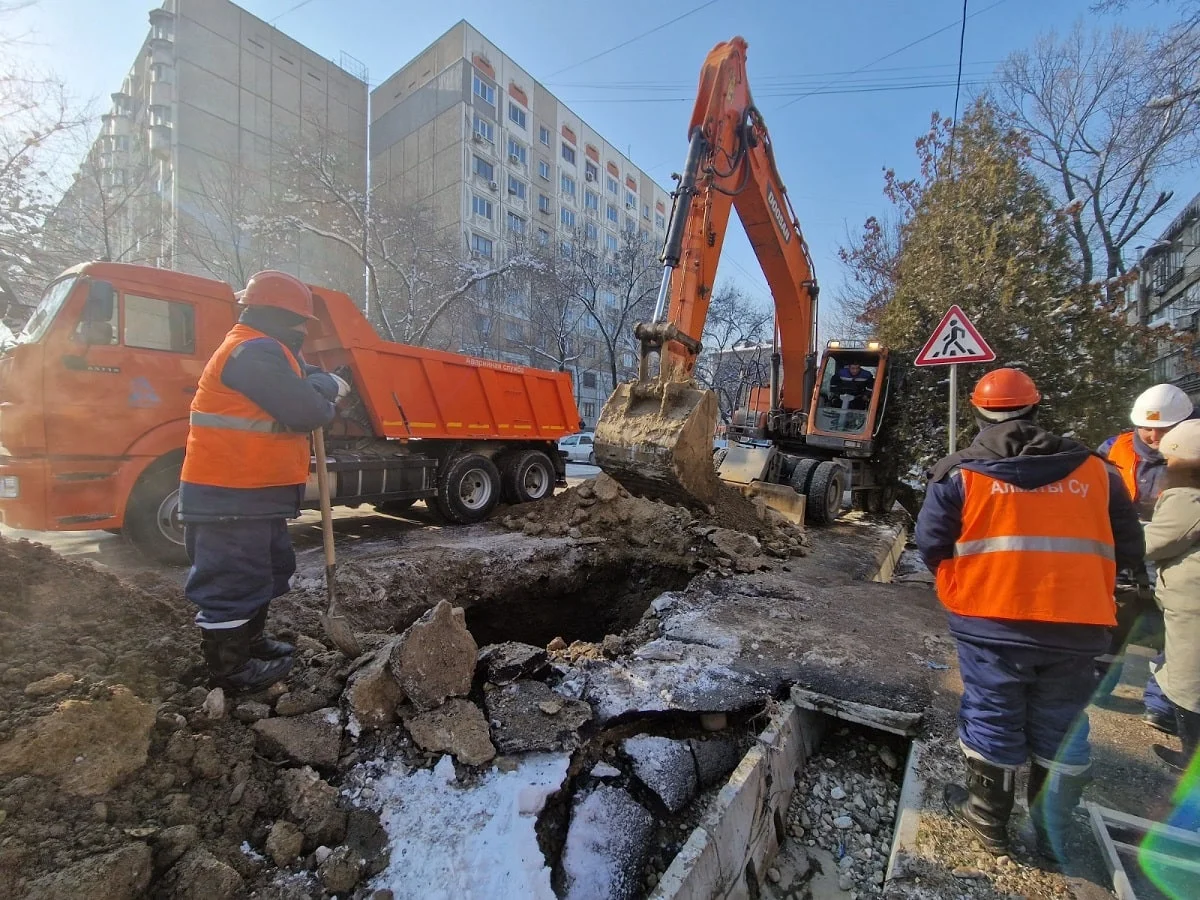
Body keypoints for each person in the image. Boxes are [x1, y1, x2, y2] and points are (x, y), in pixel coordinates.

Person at [915, 368, 1144, 862]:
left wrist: (965, 580)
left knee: (994, 711)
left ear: (977, 412)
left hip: (990, 618)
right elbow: (1129, 547)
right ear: (1036, 407)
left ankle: (988, 823)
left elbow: (931, 544)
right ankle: (1051, 830)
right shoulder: (1098, 472)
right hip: (1078, 622)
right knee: (1062, 722)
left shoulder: (959, 472)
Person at [180, 270, 350, 693]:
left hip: (254, 493)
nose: (303, 332)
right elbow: (307, 411)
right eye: (302, 323)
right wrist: (325, 388)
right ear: (282, 317)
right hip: (231, 492)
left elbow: (304, 388)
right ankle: (231, 669)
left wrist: (316, 384)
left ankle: (251, 643)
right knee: (232, 578)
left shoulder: (271, 351)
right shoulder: (253, 352)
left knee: (263, 571)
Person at [1100, 384, 1195, 733]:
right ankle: (1100, 686)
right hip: (1127, 546)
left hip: (1177, 552)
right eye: (1146, 428)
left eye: (1163, 429)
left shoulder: (1194, 452)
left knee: (1175, 632)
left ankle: (1162, 707)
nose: (1153, 435)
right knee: (1113, 619)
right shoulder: (1115, 450)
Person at [1143, 419, 1200, 772]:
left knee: (1188, 682)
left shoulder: (1187, 498)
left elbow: (1153, 543)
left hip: (1191, 606)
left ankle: (1191, 759)